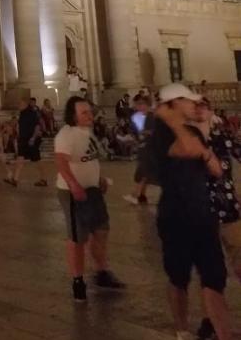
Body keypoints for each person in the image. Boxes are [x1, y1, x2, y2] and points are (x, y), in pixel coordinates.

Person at [152, 83, 237, 340]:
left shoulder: (188, 130)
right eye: (187, 102)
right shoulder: (159, 136)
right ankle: (182, 333)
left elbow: (215, 168)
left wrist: (204, 150)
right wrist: (176, 125)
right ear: (173, 104)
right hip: (175, 219)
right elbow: (188, 150)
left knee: (214, 281)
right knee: (179, 280)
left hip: (203, 215)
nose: (194, 105)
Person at [54, 95, 125, 303]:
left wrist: (99, 178)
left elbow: (88, 159)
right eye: (84, 112)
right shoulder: (65, 135)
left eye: (89, 111)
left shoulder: (87, 132)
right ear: (73, 115)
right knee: (77, 238)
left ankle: (102, 272)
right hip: (72, 192)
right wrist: (74, 185)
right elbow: (61, 163)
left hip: (92, 190)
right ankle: (78, 281)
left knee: (101, 229)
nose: (90, 115)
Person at [194, 98, 241, 340]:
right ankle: (209, 319)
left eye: (203, 106)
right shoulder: (188, 143)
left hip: (228, 209)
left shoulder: (221, 137)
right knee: (210, 273)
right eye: (196, 107)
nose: (200, 111)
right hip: (202, 214)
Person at [123, 95, 157, 205]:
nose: (139, 106)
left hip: (150, 149)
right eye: (138, 104)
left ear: (147, 105)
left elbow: (155, 132)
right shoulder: (137, 117)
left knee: (142, 172)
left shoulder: (152, 117)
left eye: (142, 104)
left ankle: (135, 195)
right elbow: (136, 133)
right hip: (143, 148)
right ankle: (142, 195)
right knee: (145, 173)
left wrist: (146, 133)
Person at [12, 98, 47, 187]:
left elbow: (37, 126)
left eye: (20, 104)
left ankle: (43, 179)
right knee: (20, 158)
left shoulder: (31, 113)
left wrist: (33, 138)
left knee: (37, 160)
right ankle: (15, 179)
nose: (18, 106)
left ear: (25, 104)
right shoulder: (22, 114)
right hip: (24, 140)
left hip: (31, 140)